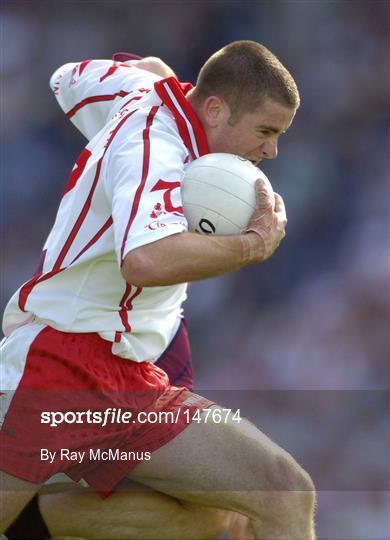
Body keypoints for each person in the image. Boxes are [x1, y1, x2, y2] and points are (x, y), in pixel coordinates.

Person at [0, 41, 316, 540]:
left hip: (129, 374)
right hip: (59, 363)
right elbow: (145, 260)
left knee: (278, 491)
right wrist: (252, 246)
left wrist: (146, 72)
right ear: (214, 109)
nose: (271, 150)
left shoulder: (145, 90)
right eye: (266, 131)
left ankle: (37, 521)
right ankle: (31, 520)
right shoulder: (155, 145)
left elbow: (65, 78)